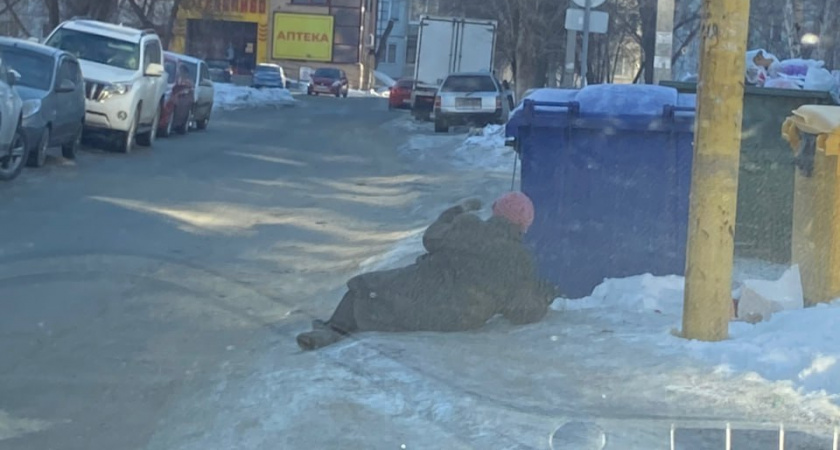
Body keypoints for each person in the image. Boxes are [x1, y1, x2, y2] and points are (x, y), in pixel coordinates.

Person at [296, 192, 556, 351]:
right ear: (524, 227)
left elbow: (431, 239)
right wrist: (544, 296)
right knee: (392, 299)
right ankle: (363, 323)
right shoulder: (520, 259)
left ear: (495, 212)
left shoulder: (470, 226)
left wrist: (456, 211)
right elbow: (521, 311)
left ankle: (331, 330)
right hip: (460, 321)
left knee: (363, 286)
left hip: (425, 297)